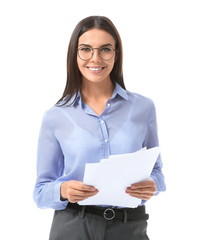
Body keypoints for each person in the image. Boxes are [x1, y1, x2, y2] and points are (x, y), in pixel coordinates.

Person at [33, 16, 166, 240]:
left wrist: (153, 184)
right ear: (75, 55)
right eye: (86, 49)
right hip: (73, 226)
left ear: (116, 54)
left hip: (129, 227)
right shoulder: (55, 116)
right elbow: (40, 192)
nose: (95, 58)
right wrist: (63, 190)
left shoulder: (143, 108)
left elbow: (158, 174)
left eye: (105, 49)